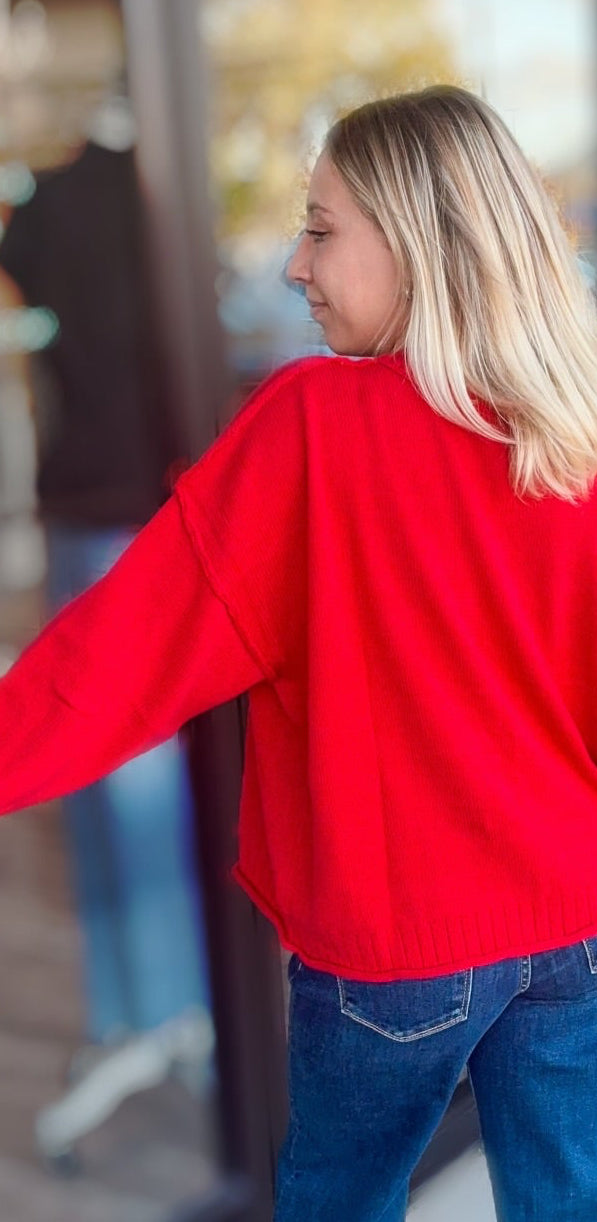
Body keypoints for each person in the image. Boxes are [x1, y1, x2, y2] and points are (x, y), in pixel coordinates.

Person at [0, 85, 597, 1220]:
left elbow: (124, 657)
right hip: (585, 930)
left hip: (397, 950)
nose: (293, 266)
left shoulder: (312, 425)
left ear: (420, 242)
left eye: (320, 229)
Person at [0, 97, 211, 1100]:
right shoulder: (142, 200)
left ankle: (146, 1004)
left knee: (113, 770)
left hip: (94, 507)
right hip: (135, 511)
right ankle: (162, 1006)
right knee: (126, 772)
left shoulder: (57, 201)